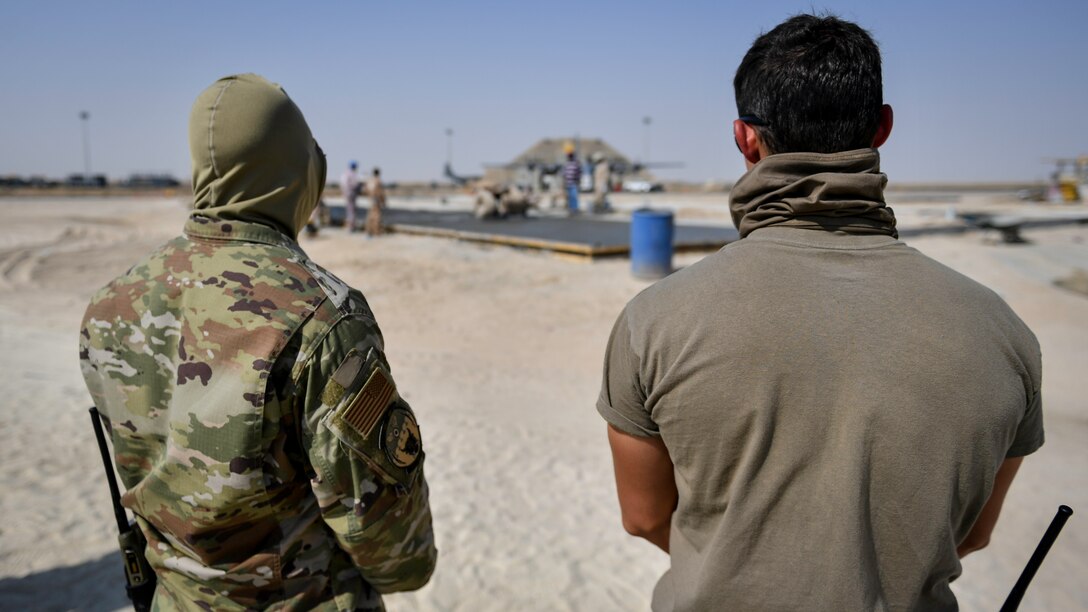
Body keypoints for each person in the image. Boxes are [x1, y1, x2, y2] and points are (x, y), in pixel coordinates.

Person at [597, 15, 1042, 611]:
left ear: (744, 139)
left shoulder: (653, 322)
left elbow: (644, 517)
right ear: (881, 127)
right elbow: (973, 532)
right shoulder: (1003, 334)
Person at [79, 73, 436, 610]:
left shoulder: (111, 304)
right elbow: (387, 543)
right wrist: (413, 565)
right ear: (293, 173)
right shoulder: (321, 316)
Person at [365, 167, 386, 236]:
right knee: (377, 215)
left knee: (370, 215)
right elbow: (381, 192)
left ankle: (369, 231)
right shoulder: (378, 181)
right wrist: (383, 201)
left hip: (370, 199)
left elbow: (366, 190)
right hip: (376, 199)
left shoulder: (369, 181)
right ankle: (376, 231)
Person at [562, 147, 582, 214]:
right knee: (570, 196)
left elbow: (578, 173)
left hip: (573, 183)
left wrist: (578, 180)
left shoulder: (575, 164)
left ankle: (575, 208)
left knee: (574, 196)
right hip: (568, 183)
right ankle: (571, 208)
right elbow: (564, 174)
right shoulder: (567, 164)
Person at [342, 160, 361, 231]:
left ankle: (350, 226)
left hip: (347, 194)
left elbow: (343, 184)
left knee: (349, 210)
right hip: (352, 194)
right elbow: (355, 184)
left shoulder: (345, 173)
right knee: (352, 211)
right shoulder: (353, 174)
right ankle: (351, 227)